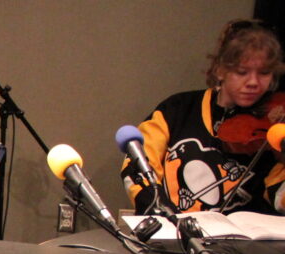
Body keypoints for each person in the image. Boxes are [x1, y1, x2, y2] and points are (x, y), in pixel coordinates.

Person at [122, 19, 285, 215]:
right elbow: (137, 166)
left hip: (240, 241)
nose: (253, 82)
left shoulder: (271, 131)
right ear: (220, 70)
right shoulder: (177, 109)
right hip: (170, 231)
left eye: (264, 73)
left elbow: (279, 197)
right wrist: (160, 212)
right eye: (242, 72)